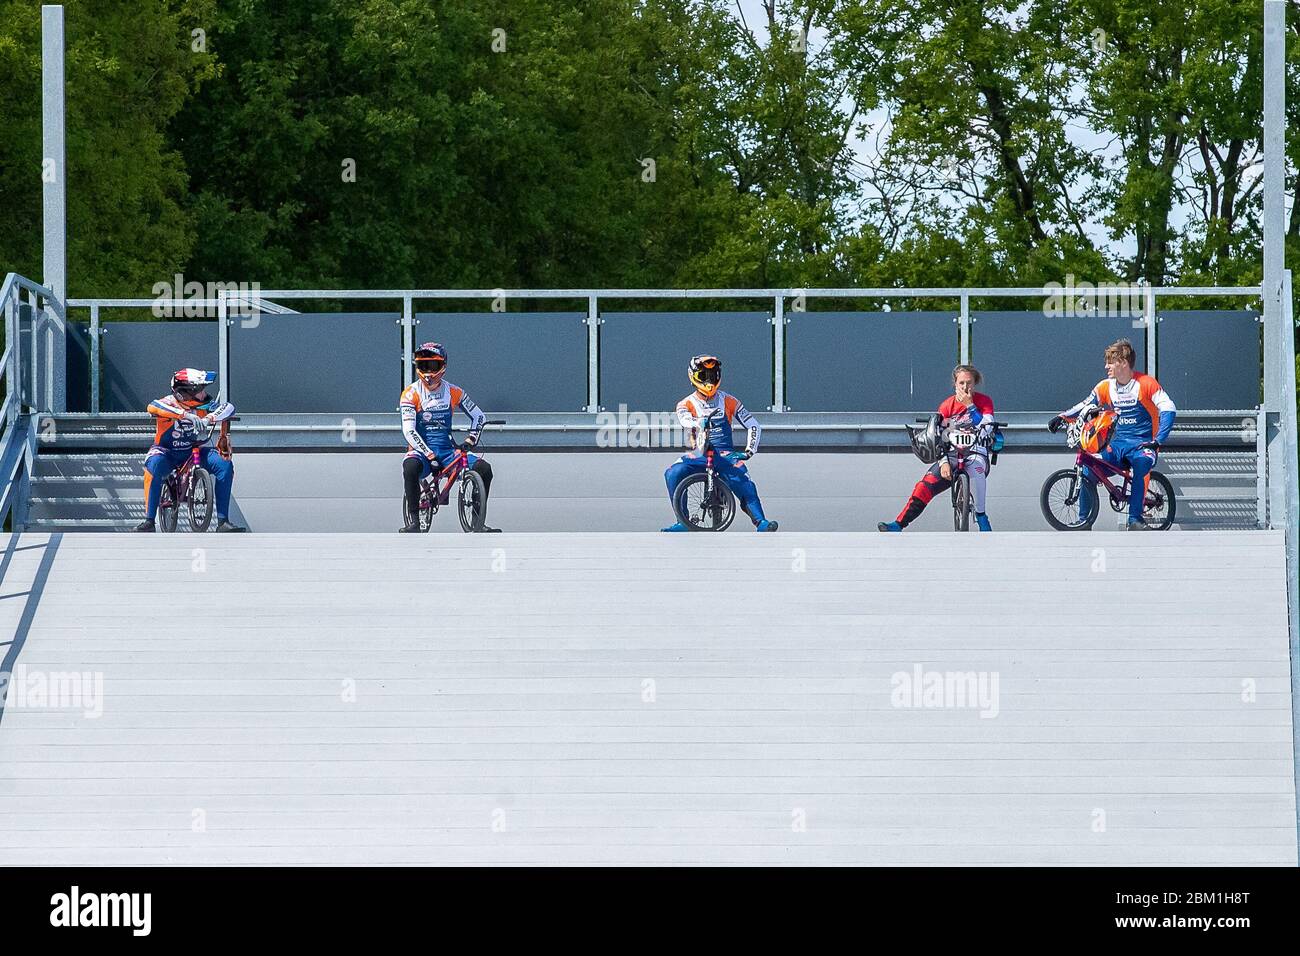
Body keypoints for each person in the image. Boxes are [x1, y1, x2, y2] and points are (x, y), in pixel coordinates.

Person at [1048, 338, 1176, 530]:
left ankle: (1135, 519)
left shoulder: (1146, 383)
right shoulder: (1105, 386)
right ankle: (1083, 521)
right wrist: (1062, 417)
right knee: (1088, 469)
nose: (1106, 365)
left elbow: (1168, 408)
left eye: (1110, 361)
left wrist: (1158, 440)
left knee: (1141, 464)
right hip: (1118, 445)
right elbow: (1085, 404)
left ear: (1123, 363)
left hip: (1144, 444)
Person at [662, 354, 777, 532]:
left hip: (725, 454)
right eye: (704, 376)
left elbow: (753, 425)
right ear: (693, 376)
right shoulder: (685, 403)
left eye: (712, 375)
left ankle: (761, 521)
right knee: (672, 473)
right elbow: (684, 420)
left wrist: (749, 451)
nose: (709, 381)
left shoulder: (730, 401)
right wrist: (698, 422)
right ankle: (682, 521)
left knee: (744, 482)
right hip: (699, 453)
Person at [879, 364, 997, 532]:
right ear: (955, 384)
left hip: (976, 452)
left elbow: (987, 427)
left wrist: (970, 405)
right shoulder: (946, 406)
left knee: (977, 473)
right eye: (961, 383)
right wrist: (943, 462)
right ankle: (898, 524)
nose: (965, 387)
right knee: (925, 485)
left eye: (969, 383)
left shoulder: (984, 401)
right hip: (951, 454)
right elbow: (938, 435)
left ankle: (981, 515)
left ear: (975, 384)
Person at [399, 342, 498, 532]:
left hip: (447, 451)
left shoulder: (454, 392)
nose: (428, 371)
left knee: (484, 469)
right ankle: (414, 521)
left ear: (442, 366)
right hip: (421, 452)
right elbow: (409, 431)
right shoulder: (410, 394)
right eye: (423, 366)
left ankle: (478, 519)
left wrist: (471, 440)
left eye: (432, 366)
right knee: (409, 467)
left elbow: (479, 416)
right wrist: (428, 454)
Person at [134, 368, 244, 532]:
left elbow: (229, 407)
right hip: (165, 452)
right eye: (200, 390)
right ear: (185, 392)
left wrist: (209, 417)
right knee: (154, 465)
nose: (204, 394)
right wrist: (186, 415)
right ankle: (149, 520)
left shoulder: (205, 404)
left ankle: (223, 521)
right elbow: (152, 406)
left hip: (193, 451)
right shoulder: (168, 402)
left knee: (224, 464)